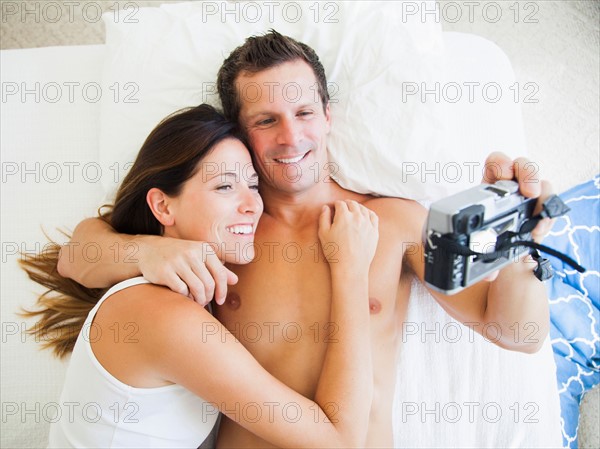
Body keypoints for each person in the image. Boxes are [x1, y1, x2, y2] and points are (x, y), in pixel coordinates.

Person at [57, 31, 554, 447]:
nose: (291, 138)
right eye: (266, 120)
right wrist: (149, 250)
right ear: (242, 132)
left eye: (303, 113)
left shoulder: (395, 221)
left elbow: (516, 335)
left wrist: (521, 247)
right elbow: (77, 254)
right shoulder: (226, 234)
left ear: (328, 116)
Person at [21, 104, 380, 448]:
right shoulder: (165, 316)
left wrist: (148, 250)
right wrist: (350, 270)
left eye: (253, 185)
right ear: (163, 206)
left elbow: (76, 254)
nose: (253, 204)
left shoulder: (165, 294)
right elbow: (339, 440)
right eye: (225, 186)